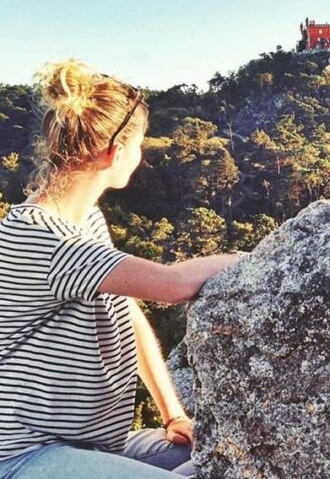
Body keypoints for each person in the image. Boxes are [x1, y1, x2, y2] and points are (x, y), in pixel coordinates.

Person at [0, 60, 241, 478]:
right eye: (139, 143)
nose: (141, 154)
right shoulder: (41, 236)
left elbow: (127, 313)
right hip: (24, 454)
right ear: (114, 152)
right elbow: (175, 284)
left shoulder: (86, 220)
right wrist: (258, 259)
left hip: (87, 445)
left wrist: (172, 415)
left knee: (225, 461)